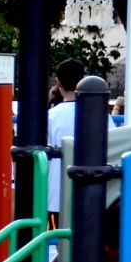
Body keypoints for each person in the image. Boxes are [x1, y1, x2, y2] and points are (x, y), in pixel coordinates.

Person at [44, 58, 84, 225]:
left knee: (54, 243)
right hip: (90, 195)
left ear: (58, 83)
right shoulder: (100, 116)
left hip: (56, 196)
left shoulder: (50, 116)